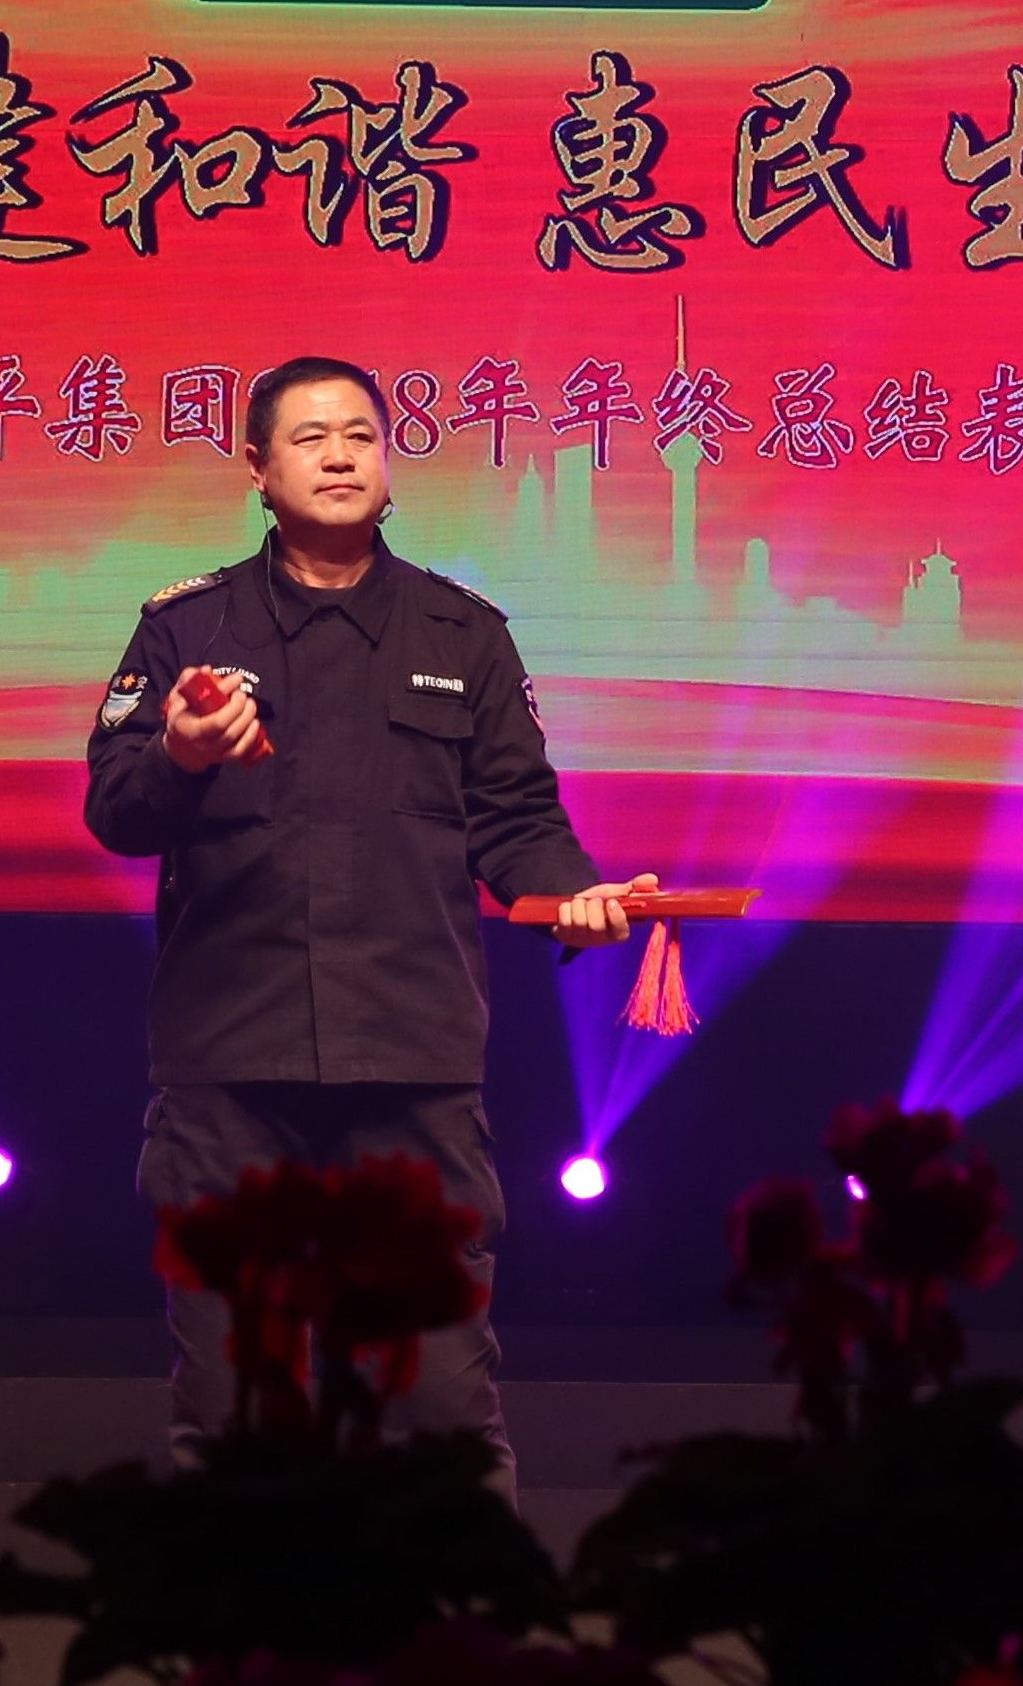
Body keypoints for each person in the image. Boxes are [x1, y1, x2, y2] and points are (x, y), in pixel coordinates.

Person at [81, 356, 647, 1473]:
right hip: (231, 1069)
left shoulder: (461, 633)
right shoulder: (188, 629)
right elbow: (116, 811)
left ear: (387, 464)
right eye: (309, 438)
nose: (339, 456)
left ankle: (459, 1593)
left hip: (412, 1067)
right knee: (237, 1419)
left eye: (359, 436)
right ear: (257, 469)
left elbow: (518, 819)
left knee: (439, 1413)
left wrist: (570, 896)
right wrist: (182, 754)